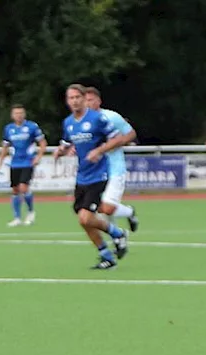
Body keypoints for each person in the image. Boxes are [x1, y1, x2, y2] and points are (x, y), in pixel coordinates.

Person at [52, 84, 131, 270]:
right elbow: (67, 142)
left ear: (83, 98)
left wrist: (99, 150)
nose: (75, 101)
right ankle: (106, 255)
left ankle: (117, 233)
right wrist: (61, 151)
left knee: (86, 218)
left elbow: (118, 138)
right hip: (82, 177)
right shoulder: (68, 122)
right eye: (71, 98)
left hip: (99, 175)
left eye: (77, 97)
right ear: (67, 101)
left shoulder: (97, 119)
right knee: (83, 220)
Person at [83, 88, 141, 233]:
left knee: (107, 207)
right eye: (85, 101)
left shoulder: (111, 116)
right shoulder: (82, 121)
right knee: (99, 208)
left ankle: (129, 212)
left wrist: (114, 144)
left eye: (90, 100)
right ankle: (117, 238)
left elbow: (130, 134)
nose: (88, 104)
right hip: (95, 171)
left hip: (115, 168)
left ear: (98, 101)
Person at [0, 105, 45, 227]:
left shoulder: (32, 127)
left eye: (21, 113)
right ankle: (17, 217)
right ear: (12, 115)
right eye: (16, 113)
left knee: (23, 187)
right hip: (14, 163)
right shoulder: (9, 129)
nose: (19, 115)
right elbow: (5, 147)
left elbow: (42, 143)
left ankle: (31, 212)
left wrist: (38, 157)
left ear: (24, 114)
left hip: (27, 162)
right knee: (15, 190)